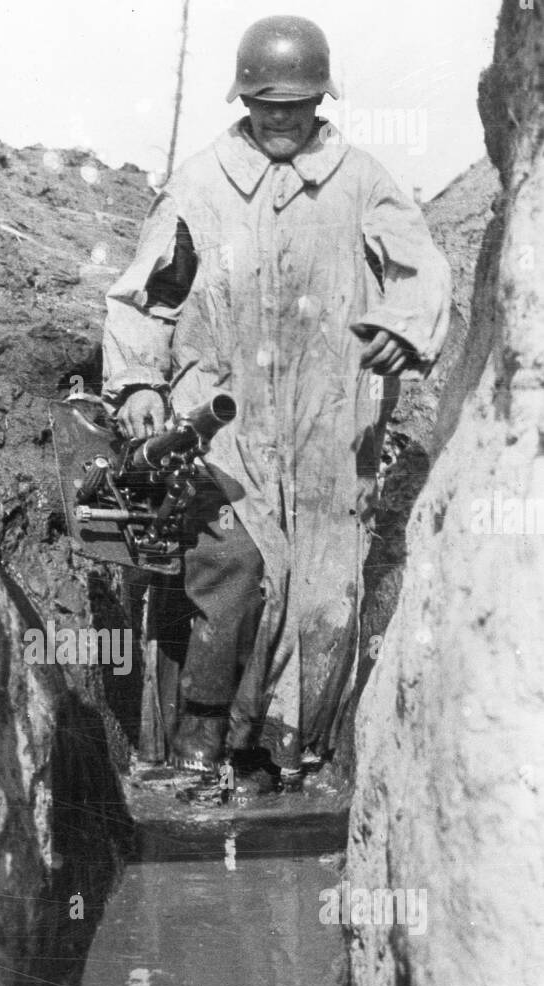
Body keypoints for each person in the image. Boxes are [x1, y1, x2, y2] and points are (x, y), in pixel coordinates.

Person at [101, 15, 451, 785]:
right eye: (268, 105)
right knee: (236, 566)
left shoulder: (361, 180)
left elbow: (423, 266)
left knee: (324, 588)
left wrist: (403, 325)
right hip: (222, 419)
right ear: (245, 100)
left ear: (322, 100)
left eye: (297, 104)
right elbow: (143, 296)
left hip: (329, 428)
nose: (282, 119)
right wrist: (134, 382)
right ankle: (199, 745)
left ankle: (290, 753)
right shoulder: (199, 182)